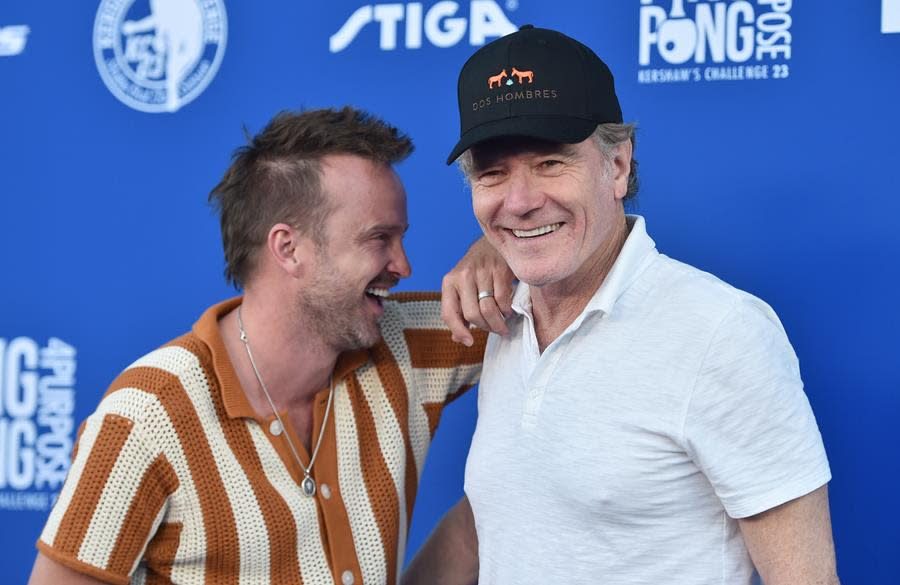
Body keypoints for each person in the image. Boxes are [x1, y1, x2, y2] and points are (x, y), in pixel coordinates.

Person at [405, 25, 840, 585]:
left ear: (616, 167)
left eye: (550, 164)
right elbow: (497, 518)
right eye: (493, 173)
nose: (519, 201)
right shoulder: (504, 317)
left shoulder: (721, 333)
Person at [27, 107, 489, 585]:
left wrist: (494, 249)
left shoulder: (407, 343)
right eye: (379, 238)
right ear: (288, 248)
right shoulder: (147, 416)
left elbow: (552, 307)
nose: (404, 264)